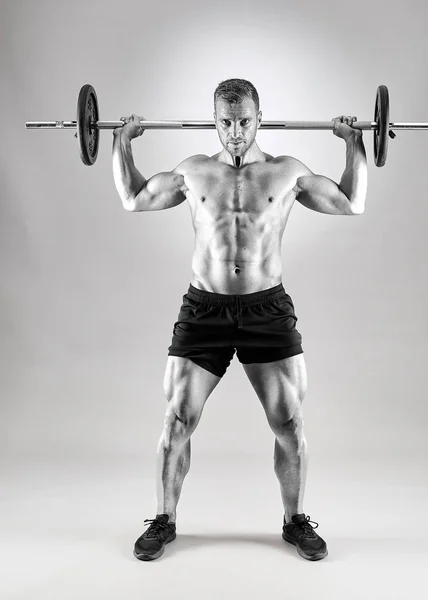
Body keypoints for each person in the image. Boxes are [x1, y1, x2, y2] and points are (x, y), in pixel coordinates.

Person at [112, 78, 367, 562]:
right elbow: (134, 197)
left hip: (265, 309)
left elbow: (351, 201)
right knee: (178, 418)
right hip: (204, 309)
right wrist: (120, 144)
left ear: (259, 118)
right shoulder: (193, 171)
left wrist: (355, 146)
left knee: (288, 421)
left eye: (244, 121)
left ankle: (295, 522)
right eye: (226, 122)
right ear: (214, 121)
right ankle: (163, 520)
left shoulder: (286, 173)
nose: (235, 131)